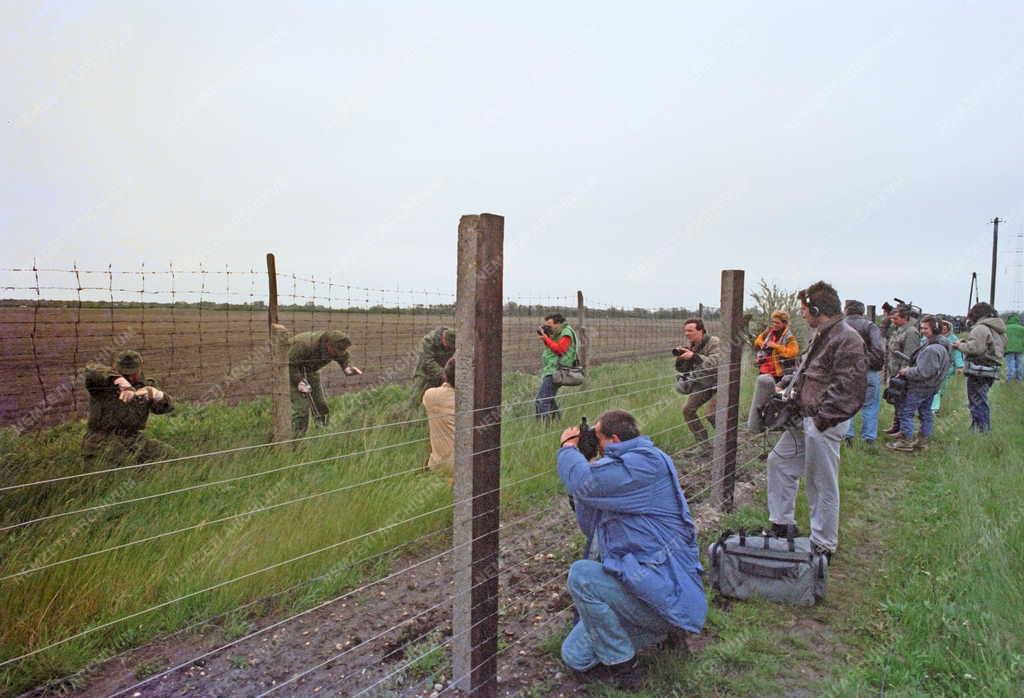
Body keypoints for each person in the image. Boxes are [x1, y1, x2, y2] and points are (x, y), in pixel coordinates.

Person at [556, 409, 706, 688]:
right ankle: (662, 632)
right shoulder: (639, 463)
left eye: (596, 438)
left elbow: (581, 482)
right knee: (574, 655)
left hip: (662, 592)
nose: (595, 444)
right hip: (651, 588)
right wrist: (587, 463)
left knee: (581, 575)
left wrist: (568, 449)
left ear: (613, 439)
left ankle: (624, 665)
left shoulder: (644, 465)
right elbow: (591, 526)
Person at [766, 281, 866, 559]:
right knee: (779, 461)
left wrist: (821, 420)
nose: (802, 314)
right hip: (805, 417)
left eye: (804, 309)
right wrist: (789, 388)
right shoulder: (824, 334)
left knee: (821, 482)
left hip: (823, 421)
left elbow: (850, 388)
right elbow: (812, 374)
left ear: (817, 309)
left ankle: (823, 545)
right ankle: (782, 525)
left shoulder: (847, 339)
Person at [82, 350, 175, 467]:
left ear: (141, 367)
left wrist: (157, 395)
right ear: (115, 367)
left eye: (133, 372)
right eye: (125, 373)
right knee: (114, 473)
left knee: (172, 457)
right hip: (102, 441)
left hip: (133, 440)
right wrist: (118, 379)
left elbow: (166, 408)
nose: (130, 377)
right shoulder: (101, 384)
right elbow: (90, 370)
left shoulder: (145, 385)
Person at [887, 316, 951, 452]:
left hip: (920, 387)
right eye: (921, 328)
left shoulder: (931, 349)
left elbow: (923, 372)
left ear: (935, 328)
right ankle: (922, 440)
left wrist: (907, 371)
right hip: (932, 387)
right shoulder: (943, 345)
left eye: (926, 328)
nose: (922, 331)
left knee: (906, 412)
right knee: (925, 412)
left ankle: (906, 441)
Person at [288, 329, 363, 436]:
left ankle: (322, 433)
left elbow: (343, 356)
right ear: (328, 343)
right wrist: (299, 382)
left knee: (320, 404)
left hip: (310, 370)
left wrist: (346, 368)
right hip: (288, 370)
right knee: (301, 409)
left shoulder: (336, 347)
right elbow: (289, 365)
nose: (337, 354)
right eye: (335, 351)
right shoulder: (304, 345)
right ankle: (296, 439)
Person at [954, 302, 1007, 433]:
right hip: (991, 369)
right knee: (980, 399)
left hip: (978, 369)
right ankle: (977, 428)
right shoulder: (998, 330)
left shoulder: (980, 328)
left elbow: (975, 349)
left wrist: (959, 345)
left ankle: (982, 430)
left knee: (976, 401)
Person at [674, 318, 721, 455]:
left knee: (711, 414)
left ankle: (725, 440)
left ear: (701, 330)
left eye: (690, 330)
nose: (687, 333)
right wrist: (681, 359)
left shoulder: (714, 342)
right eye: (685, 331)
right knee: (688, 410)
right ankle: (704, 446)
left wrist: (694, 356)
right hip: (704, 383)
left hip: (721, 383)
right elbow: (683, 371)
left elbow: (715, 363)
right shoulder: (692, 346)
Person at [842, 300, 885, 446]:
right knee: (871, 405)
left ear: (846, 310)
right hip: (868, 371)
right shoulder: (870, 326)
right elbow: (878, 349)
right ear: (862, 312)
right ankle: (869, 438)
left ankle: (848, 437)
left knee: (847, 404)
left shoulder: (839, 327)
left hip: (845, 373)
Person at [883, 305, 921, 437]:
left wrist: (902, 373)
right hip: (894, 371)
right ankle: (896, 426)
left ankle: (903, 431)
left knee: (903, 402)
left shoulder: (911, 332)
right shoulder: (898, 330)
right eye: (892, 318)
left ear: (905, 318)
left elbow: (909, 357)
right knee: (896, 400)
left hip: (903, 373)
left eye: (896, 318)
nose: (893, 320)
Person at [535, 313, 579, 423]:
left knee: (541, 400)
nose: (548, 327)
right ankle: (558, 423)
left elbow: (560, 350)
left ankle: (543, 427)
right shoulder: (558, 332)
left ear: (558, 323)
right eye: (546, 324)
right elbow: (552, 349)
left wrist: (546, 338)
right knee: (549, 399)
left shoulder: (566, 333)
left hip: (556, 371)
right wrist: (546, 338)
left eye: (550, 324)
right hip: (552, 369)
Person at [422, 357, 455, 484]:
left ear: (445, 375)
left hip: (437, 465)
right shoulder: (471, 399)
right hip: (464, 464)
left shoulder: (430, 395)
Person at [411, 327, 456, 405]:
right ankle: (413, 414)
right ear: (443, 338)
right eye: (448, 345)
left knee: (438, 401)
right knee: (417, 399)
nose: (448, 348)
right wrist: (443, 374)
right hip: (424, 374)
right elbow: (428, 361)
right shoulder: (429, 340)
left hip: (442, 374)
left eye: (451, 347)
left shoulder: (456, 340)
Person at [753, 310, 800, 381]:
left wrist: (775, 346)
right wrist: (763, 344)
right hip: (763, 371)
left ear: (784, 324)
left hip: (778, 374)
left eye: (777, 323)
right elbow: (757, 341)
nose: (774, 324)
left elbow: (792, 353)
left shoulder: (790, 337)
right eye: (773, 322)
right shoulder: (768, 332)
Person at [931, 319, 964, 414]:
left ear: (949, 328)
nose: (944, 330)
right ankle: (933, 409)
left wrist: (959, 366)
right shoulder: (933, 337)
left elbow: (957, 353)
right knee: (936, 387)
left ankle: (935, 405)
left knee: (942, 387)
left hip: (947, 367)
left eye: (946, 328)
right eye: (942, 328)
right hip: (934, 366)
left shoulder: (954, 339)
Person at [1004, 314, 1024, 382]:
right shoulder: (1022, 328)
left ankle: (1009, 379)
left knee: (1010, 365)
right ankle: (1019, 380)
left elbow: (1003, 339)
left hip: (1009, 349)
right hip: (1020, 349)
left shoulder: (1005, 328)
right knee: (1020, 365)